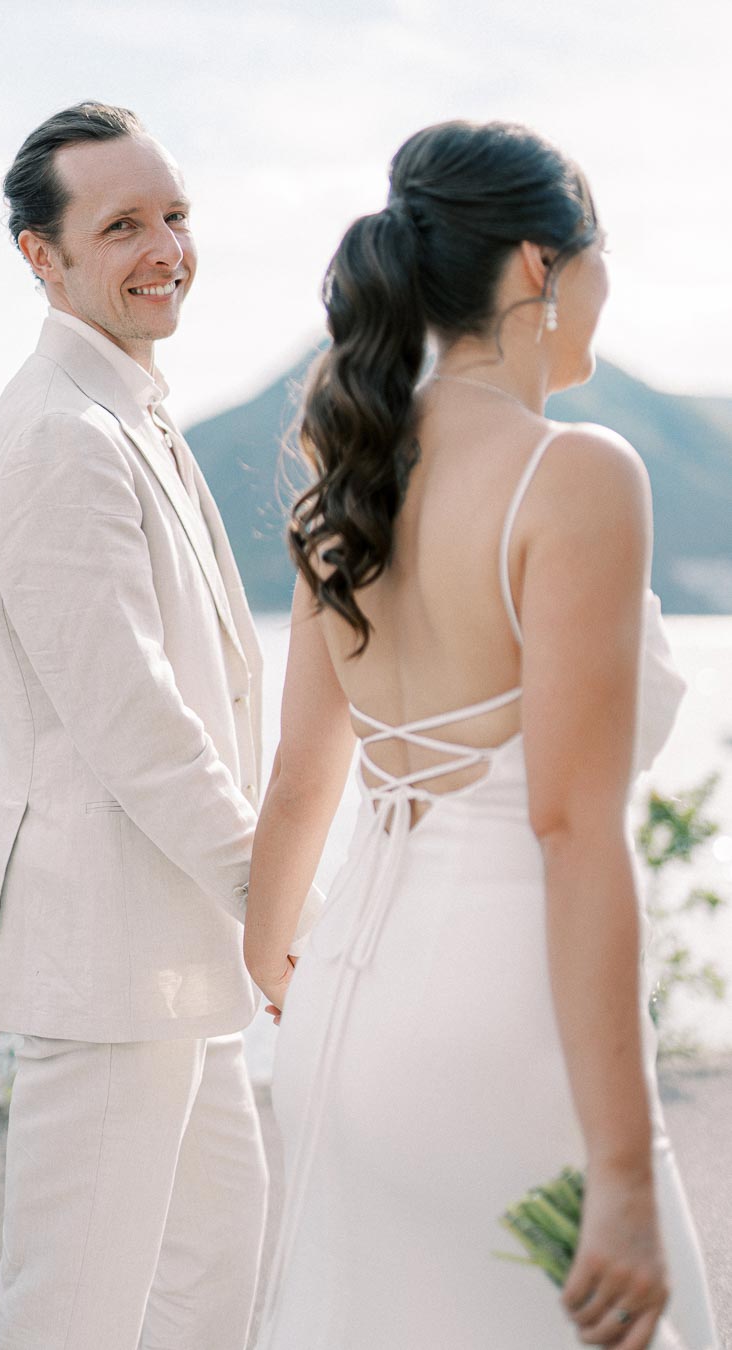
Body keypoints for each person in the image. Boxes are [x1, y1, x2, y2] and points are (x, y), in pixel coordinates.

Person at [243, 121, 718, 1349]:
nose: (610, 281)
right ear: (534, 268)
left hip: (351, 1019)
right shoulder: (577, 477)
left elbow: (301, 782)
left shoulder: (354, 476)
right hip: (504, 1036)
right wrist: (619, 1170)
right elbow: (570, 828)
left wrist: (279, 972)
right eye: (599, 251)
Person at [0, 102, 320, 1350]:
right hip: (113, 952)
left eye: (174, 215)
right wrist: (268, 899)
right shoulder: (63, 434)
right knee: (69, 1310)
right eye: (121, 225)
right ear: (41, 256)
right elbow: (136, 721)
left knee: (213, 1276)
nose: (165, 246)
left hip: (177, 953)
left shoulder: (129, 406)